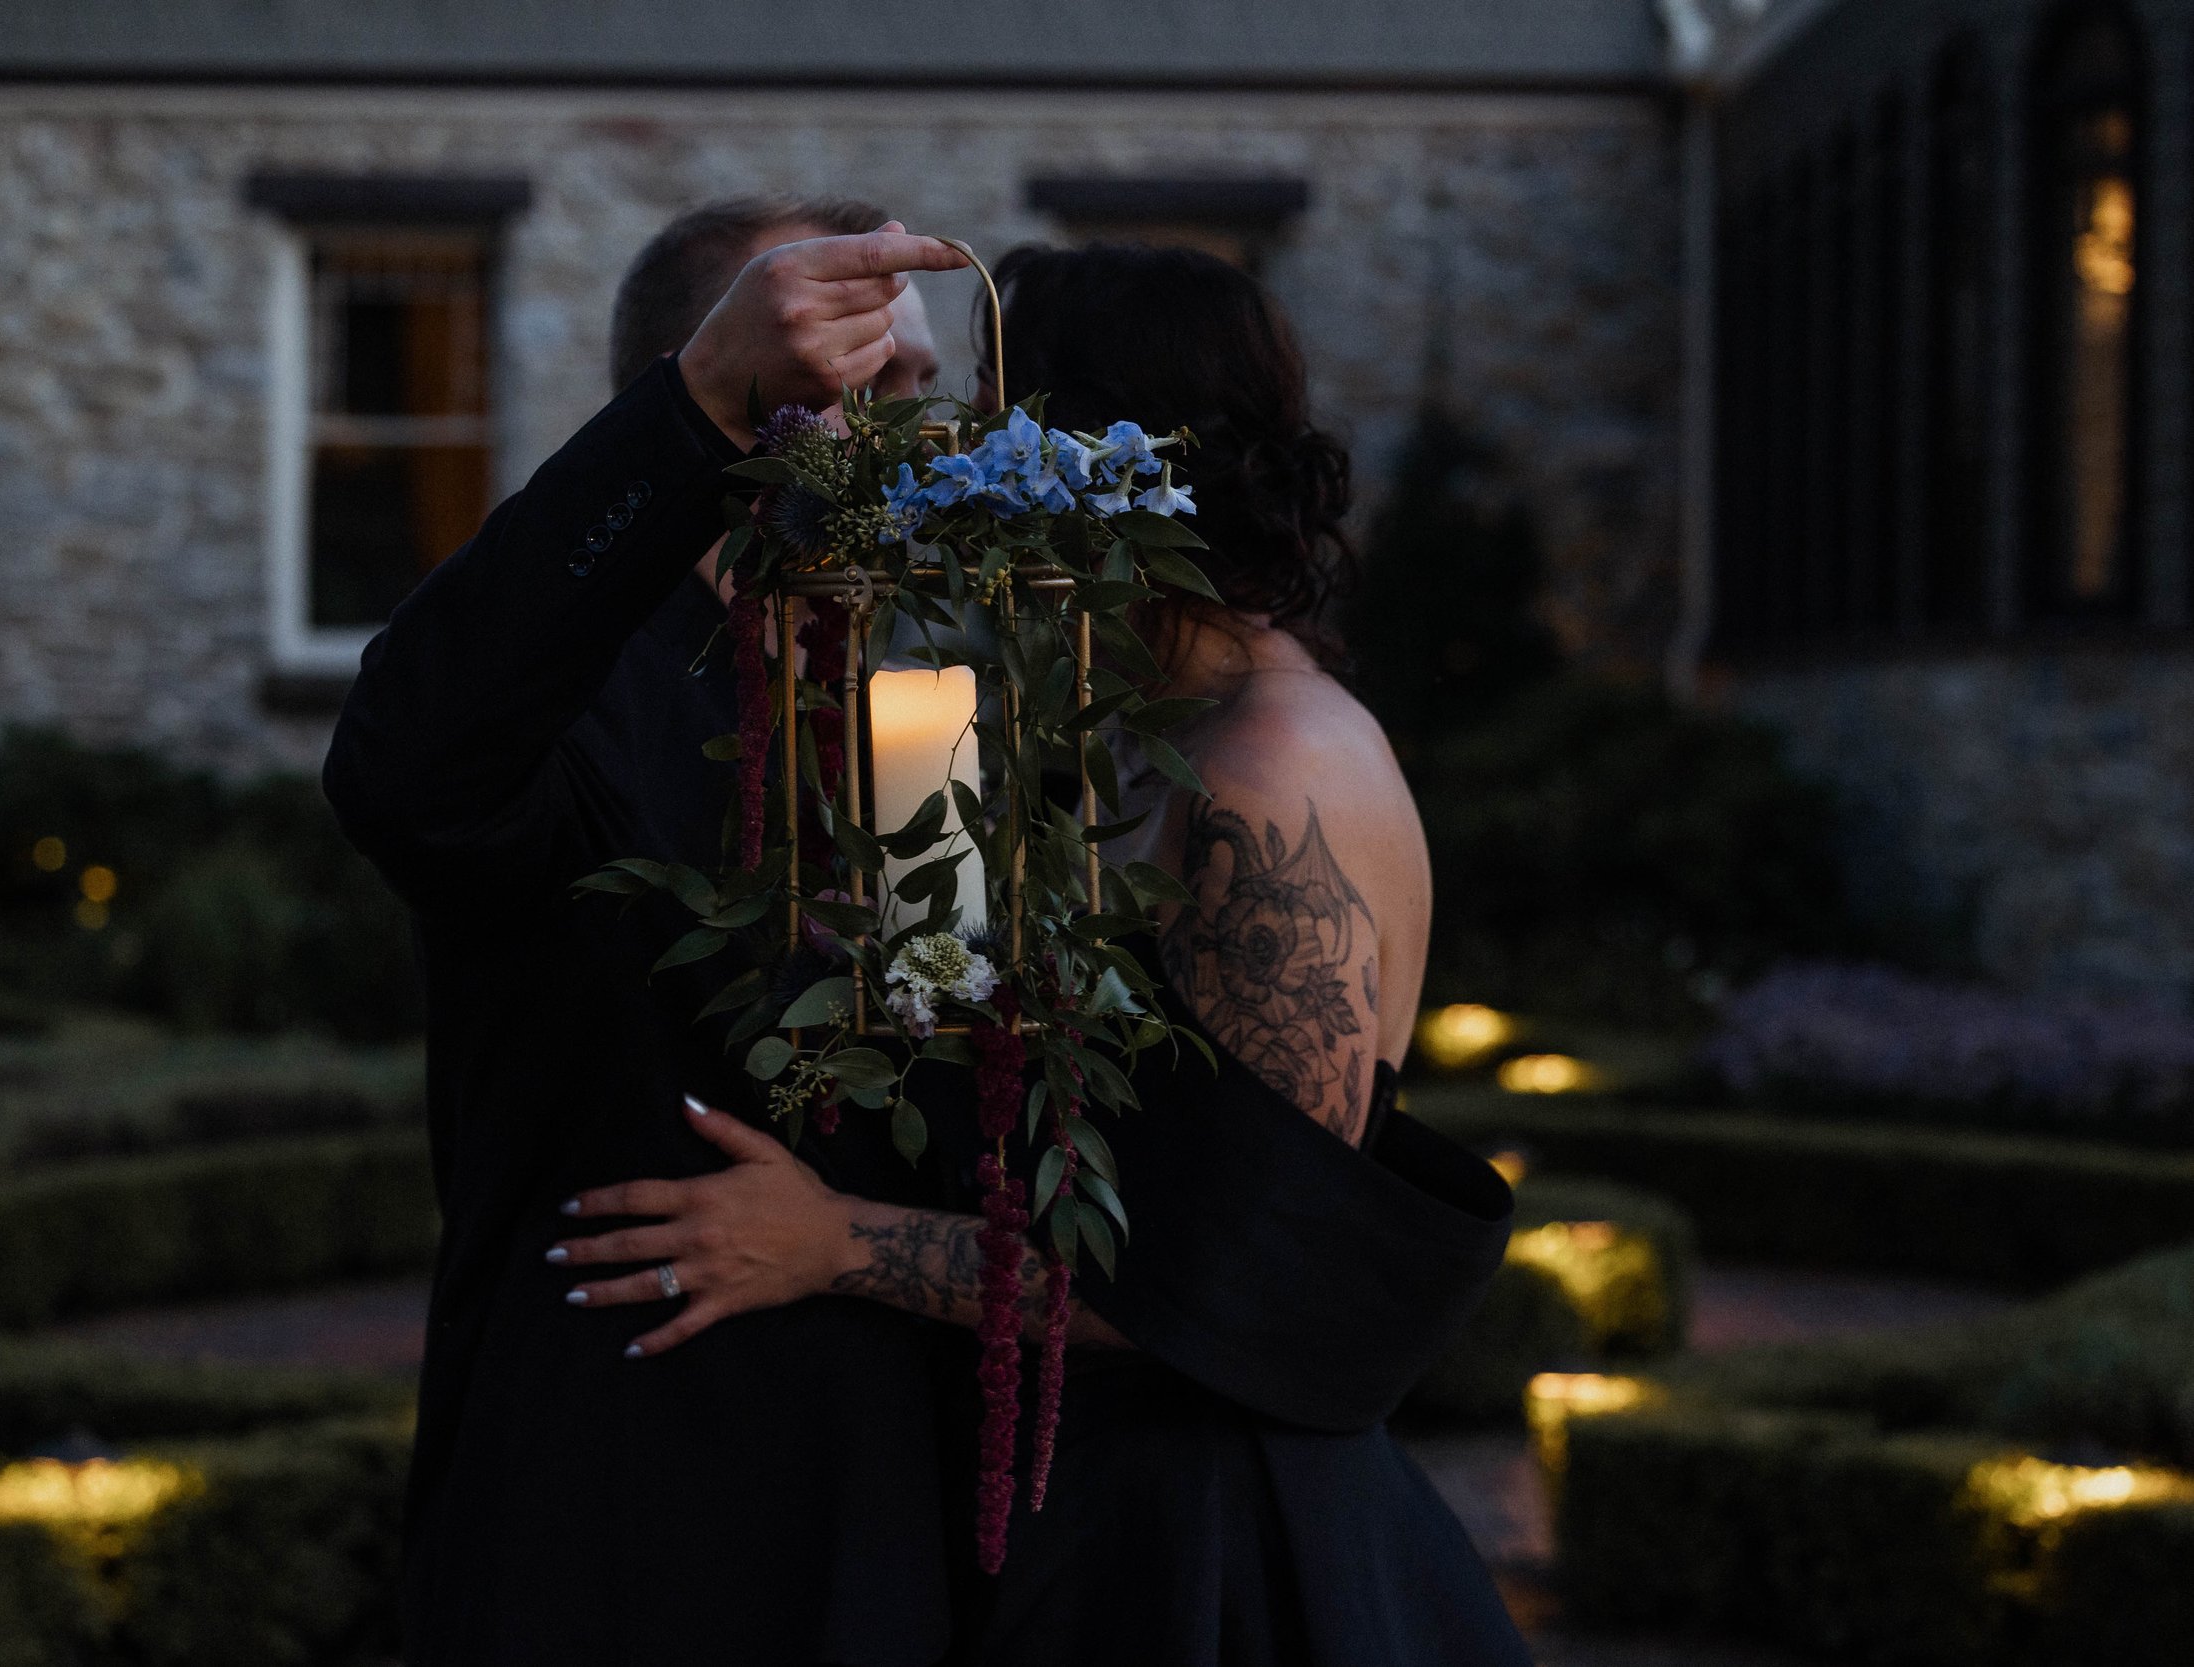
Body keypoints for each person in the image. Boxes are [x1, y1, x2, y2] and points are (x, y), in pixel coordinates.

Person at [547, 243, 1532, 1666]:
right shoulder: (1088, 718)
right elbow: (939, 1036)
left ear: (1103, 457)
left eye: (987, 415)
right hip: (1031, 1494)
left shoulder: (1277, 772)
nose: (950, 454)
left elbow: (1237, 1276)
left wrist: (836, 1248)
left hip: (1205, 1534)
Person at [323, 199, 963, 1667]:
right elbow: (397, 764)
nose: (918, 432)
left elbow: (957, 1104)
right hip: (606, 1521)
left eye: (928, 386)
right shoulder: (568, 697)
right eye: (869, 374)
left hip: (889, 1534)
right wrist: (687, 417)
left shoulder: (933, 721)